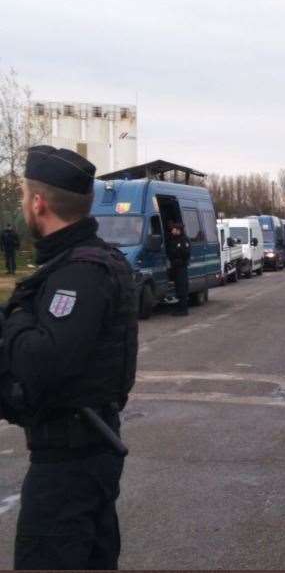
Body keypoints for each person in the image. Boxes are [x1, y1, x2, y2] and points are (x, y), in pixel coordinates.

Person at [1, 145, 138, 569]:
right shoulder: (78, 262)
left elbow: (42, 363)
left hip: (70, 461)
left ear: (38, 203)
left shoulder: (79, 273)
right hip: (85, 453)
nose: (24, 205)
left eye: (25, 197)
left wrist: (16, 317)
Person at [166, 222, 191, 316]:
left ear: (178, 230)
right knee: (178, 288)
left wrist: (177, 255)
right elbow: (170, 252)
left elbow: (185, 253)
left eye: (174, 229)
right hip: (175, 267)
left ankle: (183, 310)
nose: (172, 231)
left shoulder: (184, 240)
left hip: (181, 267)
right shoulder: (173, 239)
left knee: (182, 288)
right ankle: (180, 308)